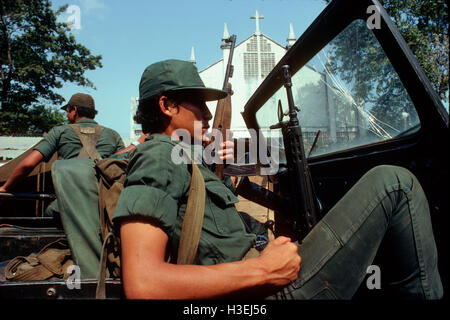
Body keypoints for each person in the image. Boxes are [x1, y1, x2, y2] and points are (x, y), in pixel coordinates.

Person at [112, 59, 443, 299]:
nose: (208, 114)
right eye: (198, 104)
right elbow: (144, 283)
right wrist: (263, 270)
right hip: (266, 291)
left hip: (265, 272)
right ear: (167, 105)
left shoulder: (183, 158)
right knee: (395, 183)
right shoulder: (158, 155)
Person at [0, 93, 125, 279]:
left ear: (73, 110)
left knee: (45, 216)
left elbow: (28, 165)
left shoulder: (60, 131)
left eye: (68, 111)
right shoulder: (113, 135)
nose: (67, 115)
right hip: (103, 210)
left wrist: (5, 188)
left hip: (64, 209)